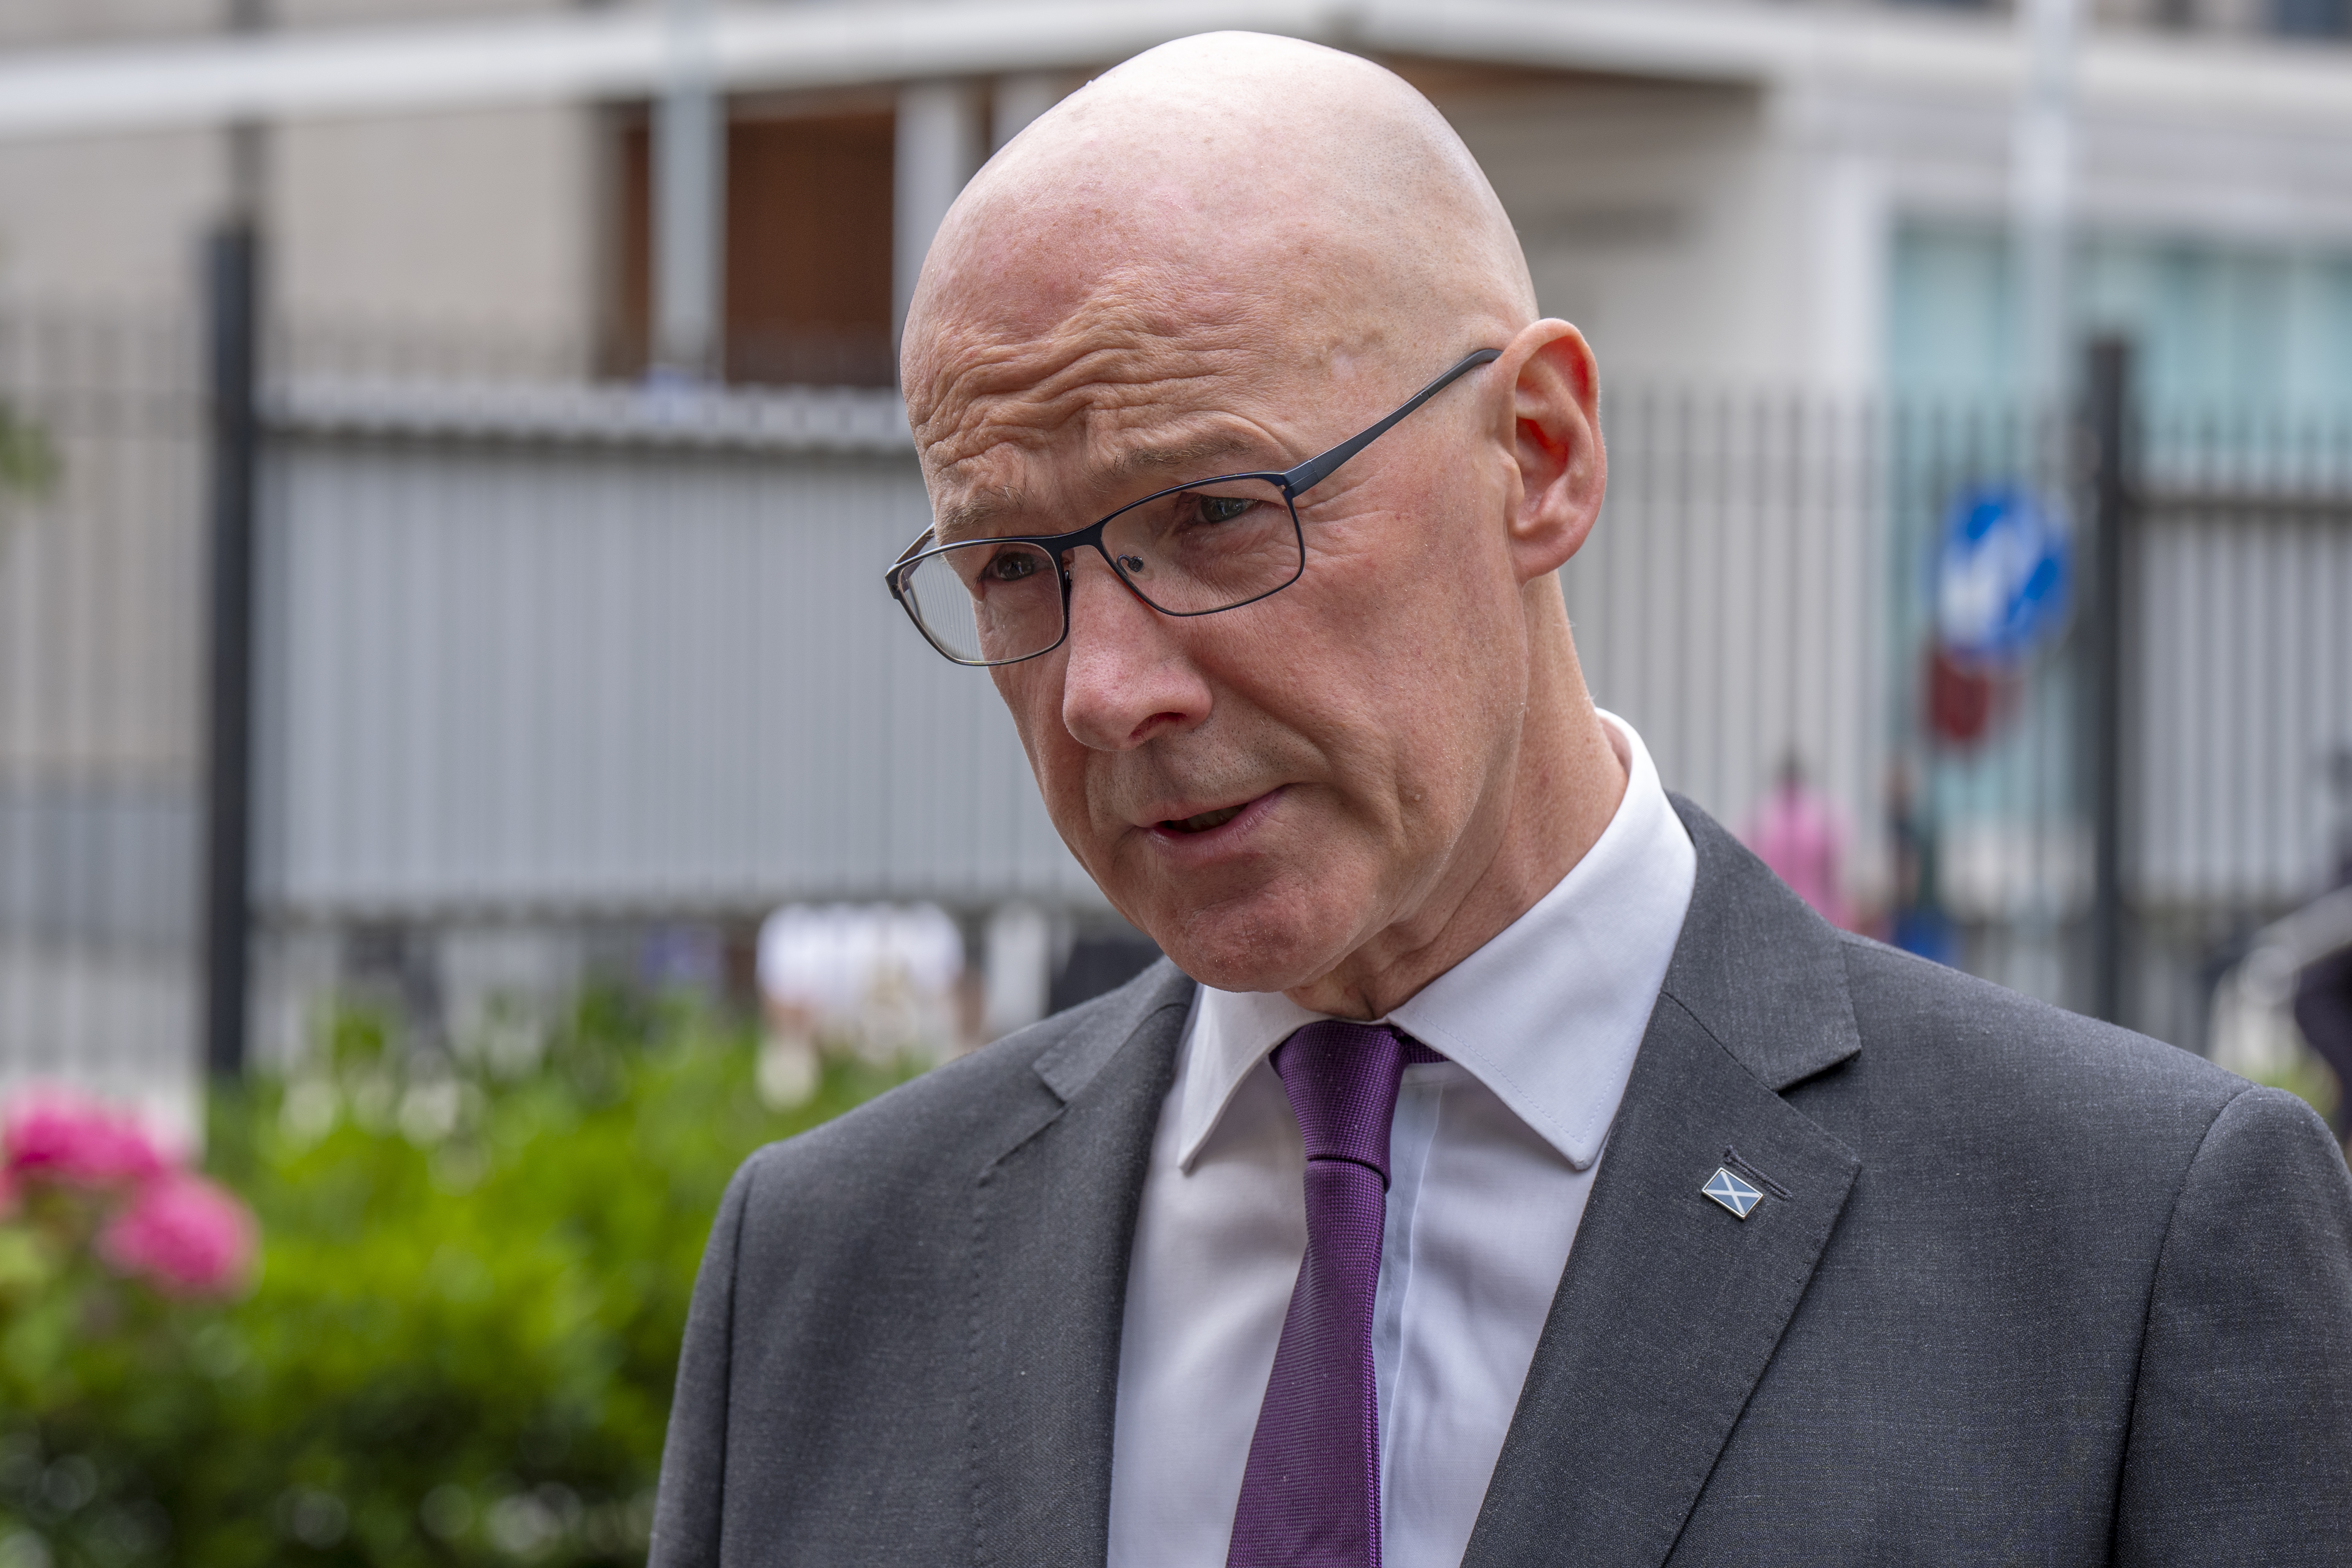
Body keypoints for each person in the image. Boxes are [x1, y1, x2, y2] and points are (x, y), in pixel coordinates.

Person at [651, 34, 2352, 1567]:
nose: (1105, 685)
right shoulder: (824, 1269)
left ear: (1538, 453)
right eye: (1014, 565)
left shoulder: (2127, 1243)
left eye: (1220, 513)